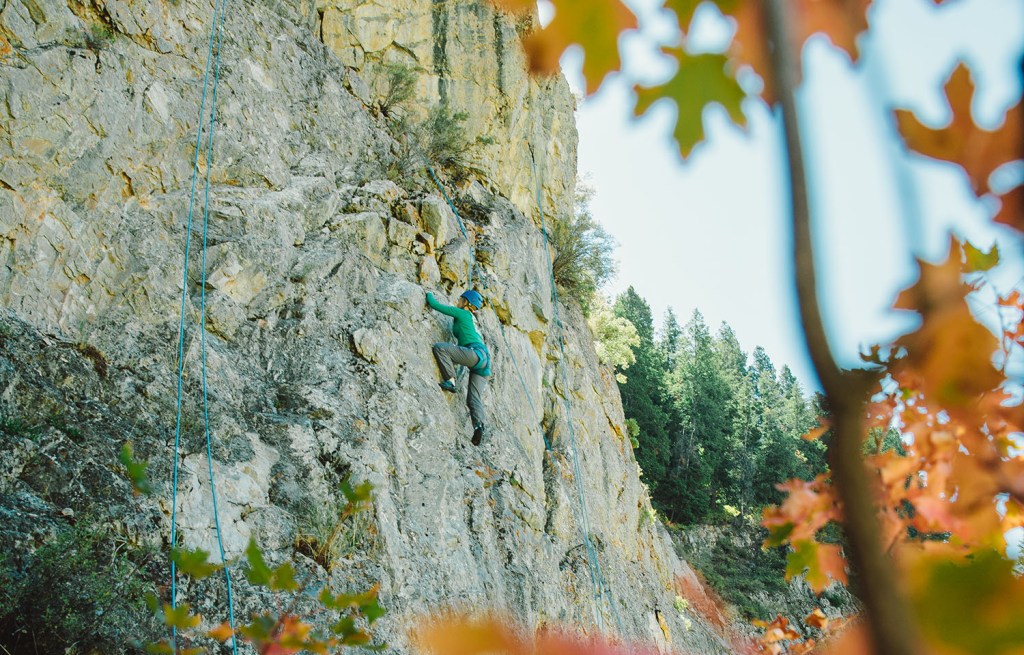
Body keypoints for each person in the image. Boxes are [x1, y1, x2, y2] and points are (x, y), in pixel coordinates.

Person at [426, 289, 491, 445]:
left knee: (440, 348)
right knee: (473, 399)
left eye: (461, 300)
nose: (458, 302)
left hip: (474, 354)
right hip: (484, 361)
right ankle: (478, 426)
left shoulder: (463, 314)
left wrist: (427, 292)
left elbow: (434, 304)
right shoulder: (474, 321)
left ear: (467, 303)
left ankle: (450, 380)